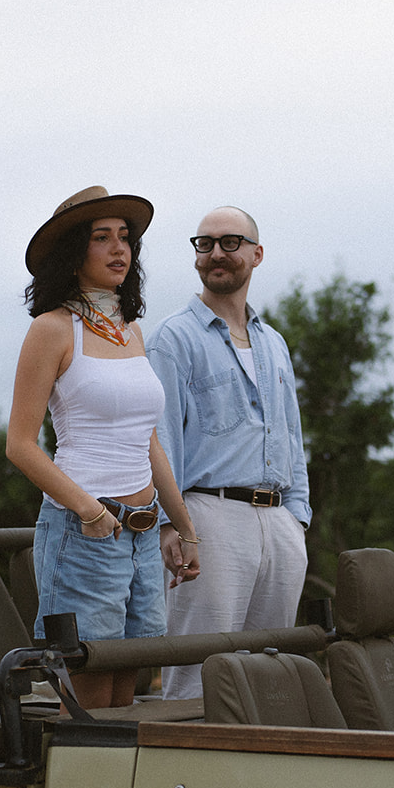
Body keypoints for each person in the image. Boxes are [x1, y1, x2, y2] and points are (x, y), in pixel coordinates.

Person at [6, 186, 201, 710]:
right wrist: (88, 509)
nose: (119, 249)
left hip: (141, 533)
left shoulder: (131, 331)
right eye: (101, 238)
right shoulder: (51, 330)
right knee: (92, 702)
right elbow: (21, 445)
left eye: (125, 237)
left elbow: (150, 441)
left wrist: (182, 528)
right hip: (85, 530)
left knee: (126, 696)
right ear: (74, 253)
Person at [146, 205, 311, 700]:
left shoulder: (274, 343)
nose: (216, 253)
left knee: (270, 676)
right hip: (208, 518)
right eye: (205, 243)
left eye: (230, 243)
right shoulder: (173, 339)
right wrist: (170, 524)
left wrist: (297, 520)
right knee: (199, 675)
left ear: (256, 255)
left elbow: (292, 438)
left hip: (278, 522)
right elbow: (159, 439)